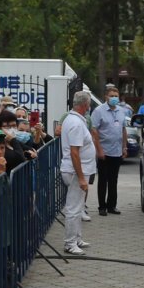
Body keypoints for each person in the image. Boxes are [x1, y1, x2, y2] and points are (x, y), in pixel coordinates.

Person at [59, 91, 95, 254]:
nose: (90, 107)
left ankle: (77, 238)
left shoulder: (74, 120)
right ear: (85, 105)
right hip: (75, 172)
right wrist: (81, 177)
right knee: (73, 208)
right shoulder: (76, 123)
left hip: (78, 170)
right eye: (89, 104)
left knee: (78, 206)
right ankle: (70, 243)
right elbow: (74, 152)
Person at [91, 84, 127, 216]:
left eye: (116, 96)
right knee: (103, 180)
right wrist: (99, 149)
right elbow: (94, 130)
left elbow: (123, 129)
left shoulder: (121, 111)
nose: (114, 98)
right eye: (111, 96)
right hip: (104, 151)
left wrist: (124, 146)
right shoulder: (99, 111)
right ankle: (102, 207)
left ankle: (112, 205)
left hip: (117, 151)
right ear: (106, 97)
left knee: (114, 180)